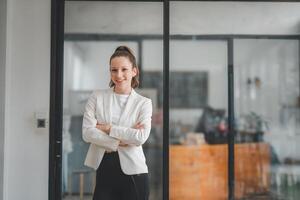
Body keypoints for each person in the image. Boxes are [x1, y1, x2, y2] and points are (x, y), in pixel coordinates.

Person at [82, 46, 152, 200]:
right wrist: (121, 139)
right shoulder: (97, 97)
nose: (118, 75)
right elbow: (87, 132)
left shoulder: (144, 103)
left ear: (134, 71)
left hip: (135, 173)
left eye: (124, 69)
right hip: (104, 170)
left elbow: (140, 137)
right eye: (114, 70)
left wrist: (108, 128)